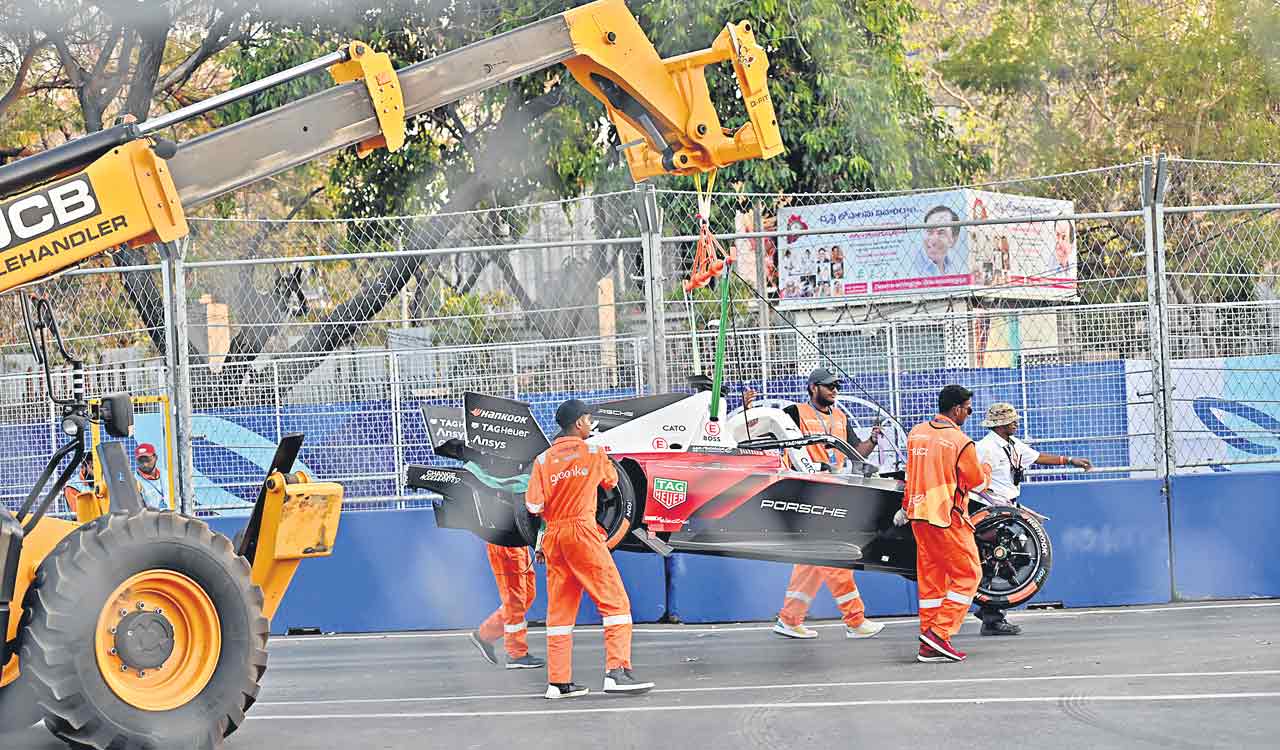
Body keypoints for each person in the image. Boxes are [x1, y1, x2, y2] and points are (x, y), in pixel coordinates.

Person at [744, 367, 887, 641]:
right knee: (833, 554)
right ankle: (855, 620)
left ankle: (790, 618)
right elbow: (760, 431)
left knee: (812, 559)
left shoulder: (840, 417)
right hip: (807, 490)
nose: (835, 390)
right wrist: (748, 411)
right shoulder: (795, 413)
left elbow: (856, 455)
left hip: (832, 490)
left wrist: (870, 440)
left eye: (836, 386)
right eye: (829, 385)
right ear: (812, 388)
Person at [526, 399, 654, 699]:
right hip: (583, 532)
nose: (590, 424)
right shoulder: (594, 452)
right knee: (615, 603)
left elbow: (533, 506)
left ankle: (558, 683)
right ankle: (617, 672)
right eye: (588, 419)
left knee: (559, 613)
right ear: (580, 423)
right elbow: (611, 482)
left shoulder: (542, 461)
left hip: (554, 537)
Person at [970, 403, 1092, 636]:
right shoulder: (986, 448)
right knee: (997, 563)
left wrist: (1070, 460)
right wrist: (990, 494)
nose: (1017, 423)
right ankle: (992, 617)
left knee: (1008, 561)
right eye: (1012, 420)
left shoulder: (1012, 445)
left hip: (1008, 510)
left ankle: (990, 613)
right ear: (1000, 424)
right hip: (991, 510)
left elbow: (1037, 457)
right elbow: (980, 479)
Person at [900, 384, 990, 663]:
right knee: (969, 575)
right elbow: (976, 481)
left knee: (932, 582)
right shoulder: (961, 442)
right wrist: (986, 469)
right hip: (946, 518)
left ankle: (929, 642)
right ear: (957, 409)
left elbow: (912, 473)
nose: (969, 413)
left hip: (916, 515)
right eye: (968, 408)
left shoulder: (916, 434)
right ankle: (939, 634)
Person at [469, 544, 545, 669]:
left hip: (518, 542)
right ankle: (516, 654)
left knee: (527, 595)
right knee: (515, 601)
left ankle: (484, 635)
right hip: (506, 544)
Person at [911, 206, 963, 276]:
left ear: (954, 240)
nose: (933, 240)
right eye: (929, 232)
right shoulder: (913, 268)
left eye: (941, 232)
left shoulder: (956, 267)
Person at [134, 443, 166, 508]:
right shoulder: (135, 482)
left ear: (155, 457)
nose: (145, 464)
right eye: (141, 461)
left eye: (147, 460)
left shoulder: (167, 475)